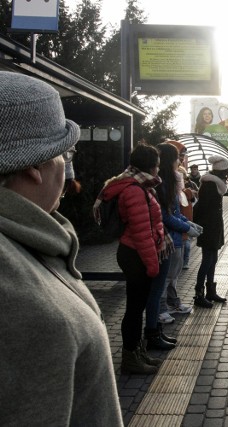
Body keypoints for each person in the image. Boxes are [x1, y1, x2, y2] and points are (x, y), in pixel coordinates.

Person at [0, 72, 123, 425]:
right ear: (36, 166)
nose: (68, 166)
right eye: (65, 152)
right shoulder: (19, 297)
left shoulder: (29, 241)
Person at [95, 143, 165, 374]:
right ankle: (130, 358)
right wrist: (153, 265)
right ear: (151, 166)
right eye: (157, 164)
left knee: (137, 307)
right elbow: (142, 232)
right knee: (135, 309)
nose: (158, 168)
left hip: (135, 252)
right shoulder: (135, 190)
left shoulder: (138, 185)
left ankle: (137, 352)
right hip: (136, 254)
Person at [148, 143, 201, 341]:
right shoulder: (163, 184)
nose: (181, 161)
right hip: (169, 239)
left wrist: (187, 223)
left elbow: (174, 212)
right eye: (178, 157)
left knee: (173, 276)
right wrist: (187, 227)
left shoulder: (171, 181)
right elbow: (165, 215)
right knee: (167, 277)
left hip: (174, 236)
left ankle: (171, 303)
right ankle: (161, 310)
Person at [193, 155, 228, 307]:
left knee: (213, 258)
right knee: (207, 260)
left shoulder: (214, 183)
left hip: (213, 225)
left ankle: (210, 291)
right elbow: (203, 207)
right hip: (209, 226)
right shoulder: (210, 184)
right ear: (223, 171)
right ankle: (199, 294)